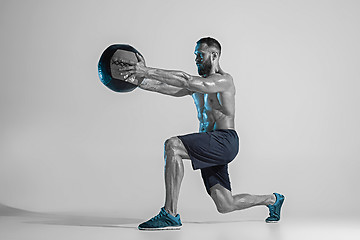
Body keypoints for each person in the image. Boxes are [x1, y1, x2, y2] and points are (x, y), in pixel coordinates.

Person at [116, 37, 284, 230]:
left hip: (224, 140)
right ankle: (272, 200)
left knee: (173, 146)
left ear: (214, 55)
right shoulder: (196, 87)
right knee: (225, 204)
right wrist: (136, 80)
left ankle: (170, 214)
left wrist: (147, 70)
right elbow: (164, 87)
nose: (196, 58)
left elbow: (186, 80)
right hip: (211, 144)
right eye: (195, 55)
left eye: (200, 54)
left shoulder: (224, 80)